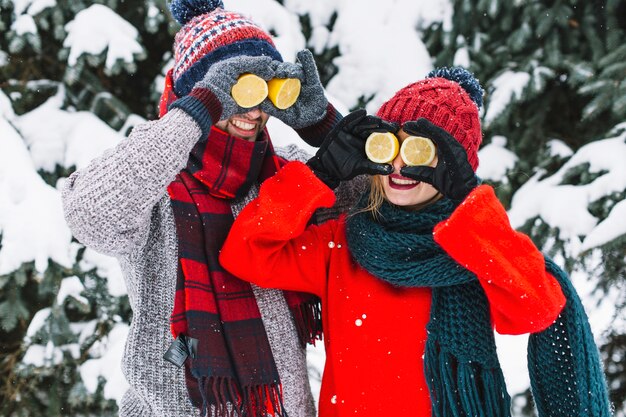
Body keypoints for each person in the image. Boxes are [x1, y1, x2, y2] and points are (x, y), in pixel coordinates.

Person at [220, 67, 612, 416]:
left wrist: (467, 200)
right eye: (390, 145)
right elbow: (245, 252)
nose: (399, 166)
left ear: (453, 165)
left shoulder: (474, 248)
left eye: (420, 151)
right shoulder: (345, 242)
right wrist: (319, 173)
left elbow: (536, 309)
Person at [61, 1, 353, 416]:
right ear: (205, 94)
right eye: (238, 91)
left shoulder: (286, 175)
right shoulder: (157, 184)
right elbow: (92, 214)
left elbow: (382, 202)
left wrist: (325, 126)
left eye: (262, 93)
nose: (252, 111)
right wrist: (197, 111)